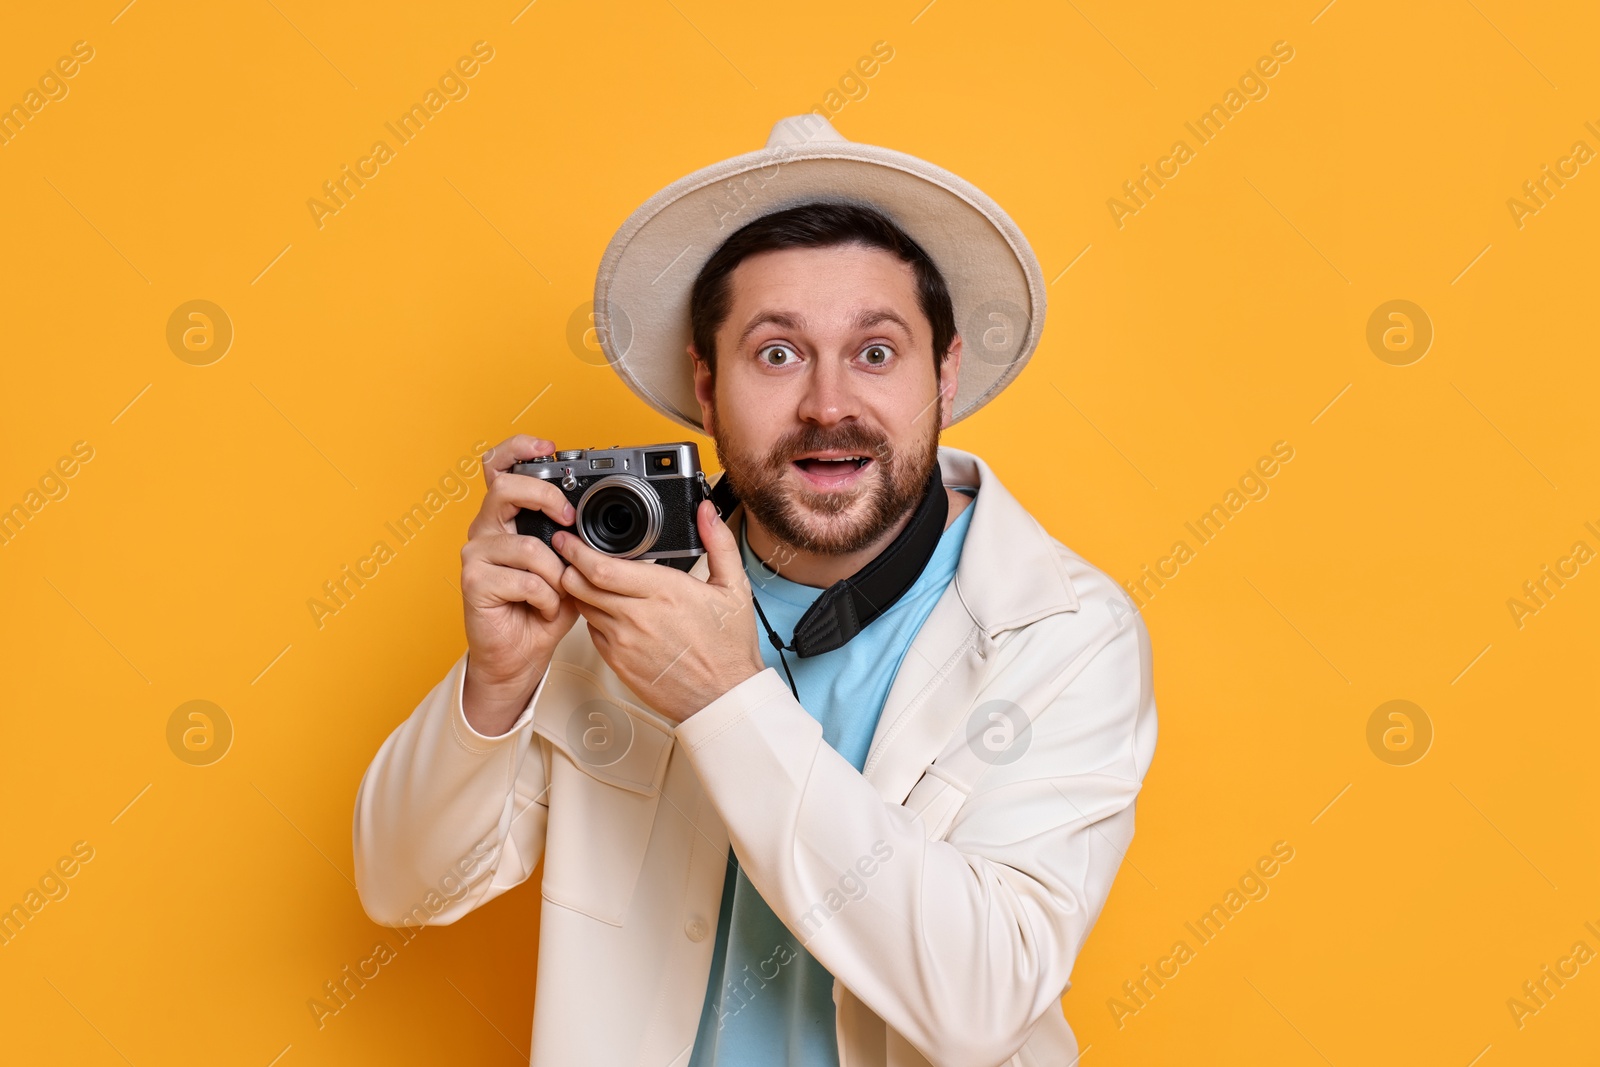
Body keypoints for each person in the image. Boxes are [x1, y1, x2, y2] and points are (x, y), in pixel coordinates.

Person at [353, 115, 1157, 1067]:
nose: (826, 403)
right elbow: (403, 885)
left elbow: (983, 1003)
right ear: (706, 385)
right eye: (776, 353)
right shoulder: (625, 588)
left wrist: (720, 696)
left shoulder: (1068, 631)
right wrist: (496, 683)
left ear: (944, 375)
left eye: (875, 352)